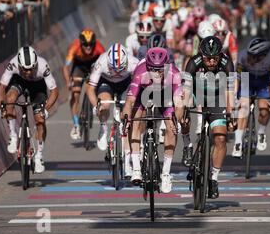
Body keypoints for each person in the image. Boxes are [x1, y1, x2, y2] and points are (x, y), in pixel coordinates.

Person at [121, 47, 183, 193]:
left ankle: (166, 174)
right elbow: (129, 101)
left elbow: (179, 105)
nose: (156, 73)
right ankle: (136, 168)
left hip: (164, 94)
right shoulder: (140, 72)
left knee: (171, 126)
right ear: (147, 67)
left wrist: (177, 120)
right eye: (153, 70)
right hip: (143, 92)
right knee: (134, 121)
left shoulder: (174, 74)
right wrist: (126, 118)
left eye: (160, 70)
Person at [181, 36, 236, 199]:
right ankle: (187, 144)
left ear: (220, 56)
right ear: (201, 56)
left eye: (214, 58)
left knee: (220, 138)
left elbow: (230, 91)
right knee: (181, 109)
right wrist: (185, 108)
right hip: (196, 93)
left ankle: (213, 178)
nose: (211, 62)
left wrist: (230, 112)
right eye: (207, 58)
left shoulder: (227, 64)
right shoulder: (193, 62)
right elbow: (186, 90)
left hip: (217, 97)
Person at [0, 46, 59, 173]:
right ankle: (13, 136)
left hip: (38, 86)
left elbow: (54, 91)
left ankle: (39, 156)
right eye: (25, 69)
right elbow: (1, 87)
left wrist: (46, 109)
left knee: (40, 119)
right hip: (19, 82)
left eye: (32, 68)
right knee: (10, 99)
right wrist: (1, 106)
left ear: (36, 64)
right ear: (19, 65)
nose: (29, 72)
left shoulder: (43, 66)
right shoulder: (13, 63)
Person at [87, 43, 139, 177]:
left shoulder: (134, 63)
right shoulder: (101, 62)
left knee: (127, 120)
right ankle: (103, 128)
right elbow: (90, 89)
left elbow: (141, 85)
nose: (116, 72)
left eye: (121, 69)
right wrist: (96, 106)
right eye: (113, 69)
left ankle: (128, 163)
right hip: (106, 83)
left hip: (126, 84)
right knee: (104, 104)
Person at [233, 38, 270, 157]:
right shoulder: (242, 56)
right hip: (246, 78)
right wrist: (234, 96)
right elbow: (237, 78)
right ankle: (238, 142)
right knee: (243, 108)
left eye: (252, 56)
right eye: (249, 54)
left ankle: (261, 132)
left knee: (265, 109)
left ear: (262, 56)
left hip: (263, 81)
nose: (249, 58)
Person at [63, 29, 105, 140]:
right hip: (79, 67)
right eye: (85, 45)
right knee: (75, 93)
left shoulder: (99, 48)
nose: (88, 47)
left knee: (90, 87)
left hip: (93, 65)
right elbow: (65, 67)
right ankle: (76, 124)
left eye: (91, 44)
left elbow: (105, 63)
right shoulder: (74, 47)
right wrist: (68, 82)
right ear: (81, 43)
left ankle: (89, 105)